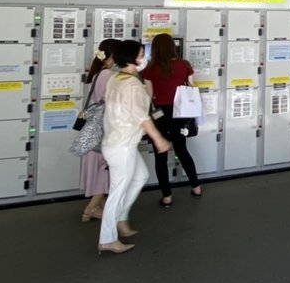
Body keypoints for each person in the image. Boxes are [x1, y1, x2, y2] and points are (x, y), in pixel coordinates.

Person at [98, 40, 171, 255]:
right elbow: (142, 117)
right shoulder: (132, 84)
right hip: (121, 145)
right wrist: (159, 139)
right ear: (133, 57)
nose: (143, 57)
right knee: (117, 191)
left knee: (140, 176)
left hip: (117, 142)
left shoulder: (116, 78)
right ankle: (107, 239)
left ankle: (121, 219)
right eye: (141, 53)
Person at [142, 33, 203, 206]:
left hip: (159, 113)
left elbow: (149, 96)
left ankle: (167, 196)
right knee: (182, 150)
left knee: (160, 156)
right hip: (180, 112)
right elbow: (192, 88)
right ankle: (196, 186)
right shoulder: (184, 65)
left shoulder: (150, 69)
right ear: (172, 47)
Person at [79, 38, 120, 222]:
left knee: (100, 166)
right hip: (102, 128)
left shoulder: (98, 73)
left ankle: (97, 205)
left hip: (94, 126)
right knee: (105, 168)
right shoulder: (107, 75)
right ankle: (92, 208)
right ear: (112, 55)